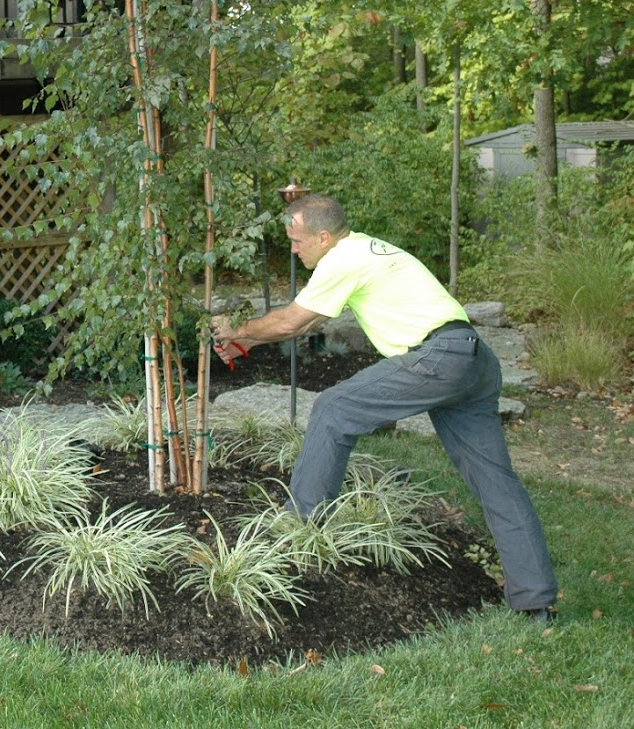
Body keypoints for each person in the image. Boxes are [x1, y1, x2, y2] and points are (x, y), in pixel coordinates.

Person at [212, 193, 558, 621]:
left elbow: (291, 321)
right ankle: (536, 601)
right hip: (474, 361)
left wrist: (237, 329)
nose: (294, 249)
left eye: (298, 240)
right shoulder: (369, 249)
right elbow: (307, 322)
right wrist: (246, 340)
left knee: (334, 408)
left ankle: (298, 532)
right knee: (496, 482)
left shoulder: (343, 259)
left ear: (323, 236)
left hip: (438, 357)